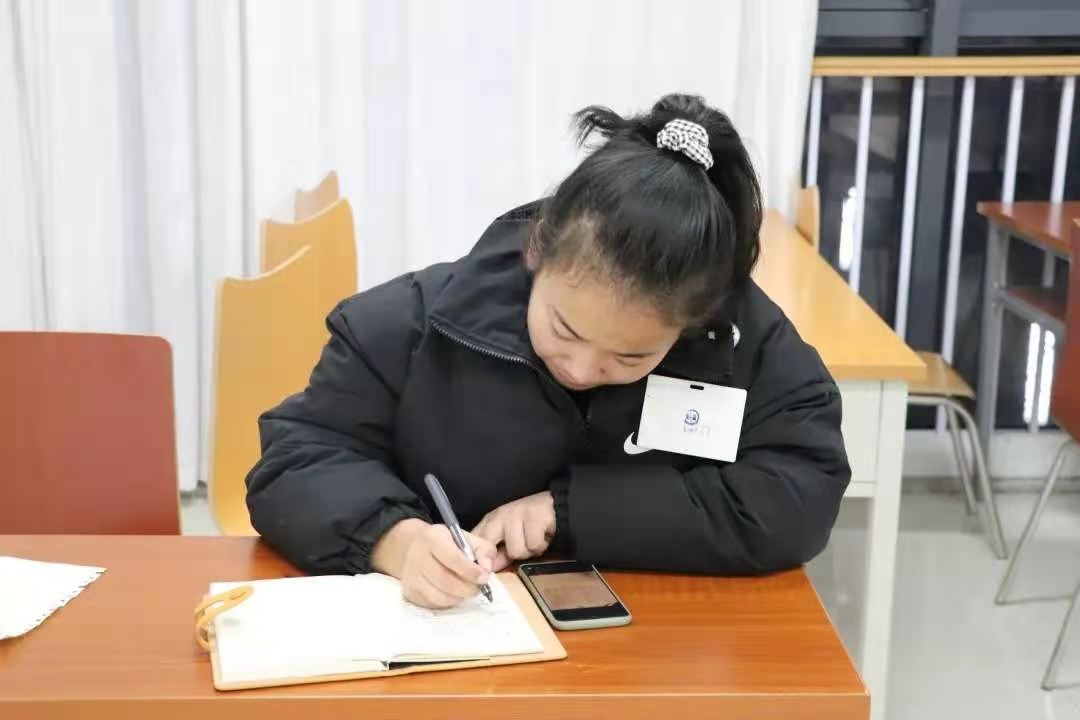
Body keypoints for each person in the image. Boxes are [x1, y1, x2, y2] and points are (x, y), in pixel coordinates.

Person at [247, 93, 850, 610]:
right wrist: (396, 541)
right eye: (564, 329)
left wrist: (572, 509)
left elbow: (799, 492)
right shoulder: (409, 325)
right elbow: (296, 461)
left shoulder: (740, 342)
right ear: (537, 248)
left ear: (696, 322)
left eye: (630, 358)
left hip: (652, 651)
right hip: (449, 644)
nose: (582, 370)